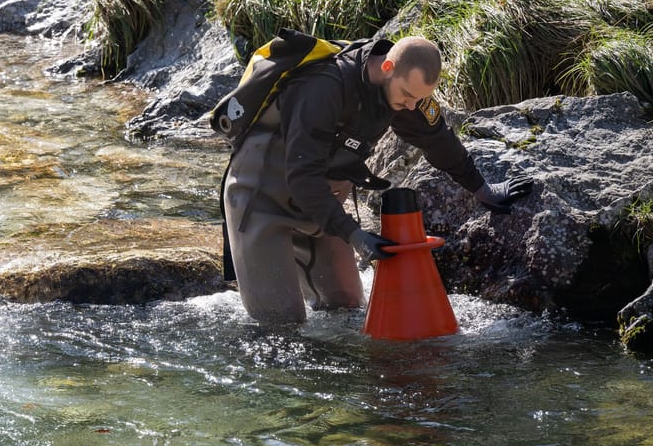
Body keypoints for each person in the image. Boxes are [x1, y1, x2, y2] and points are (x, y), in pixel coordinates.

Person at [222, 35, 533, 324]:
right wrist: (354, 234)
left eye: (418, 99)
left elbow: (439, 141)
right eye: (408, 96)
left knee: (347, 309)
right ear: (387, 68)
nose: (411, 106)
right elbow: (302, 176)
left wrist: (482, 189)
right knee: (281, 326)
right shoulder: (323, 88)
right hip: (262, 200)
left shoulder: (404, 92)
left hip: (321, 205)